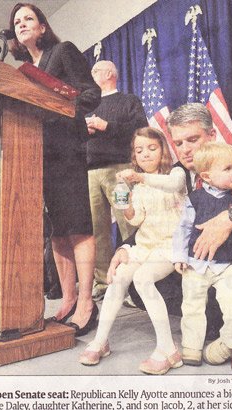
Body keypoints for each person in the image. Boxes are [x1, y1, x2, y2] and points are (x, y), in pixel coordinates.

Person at [110, 103, 232, 373]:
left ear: (212, 135)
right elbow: (159, 220)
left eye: (193, 139)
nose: (185, 149)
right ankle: (214, 320)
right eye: (178, 143)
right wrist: (126, 246)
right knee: (139, 279)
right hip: (205, 264)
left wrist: (231, 217)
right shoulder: (177, 174)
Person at [9, 3, 101, 336]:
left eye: (28, 19)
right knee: (58, 232)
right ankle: (68, 299)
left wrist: (59, 105)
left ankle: (87, 302)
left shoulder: (62, 52)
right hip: (38, 155)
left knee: (77, 227)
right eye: (17, 22)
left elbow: (90, 94)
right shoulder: (21, 70)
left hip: (66, 150)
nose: (22, 24)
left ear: (43, 26)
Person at [79, 127, 187, 375]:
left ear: (163, 150)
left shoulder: (175, 173)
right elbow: (136, 219)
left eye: (152, 148)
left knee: (143, 278)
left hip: (170, 245)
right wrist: (125, 205)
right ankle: (101, 341)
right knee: (119, 276)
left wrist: (139, 177)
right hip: (146, 245)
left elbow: (173, 185)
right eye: (139, 151)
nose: (145, 154)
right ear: (134, 156)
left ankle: (168, 348)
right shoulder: (139, 187)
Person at [173, 142, 232, 366]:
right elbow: (183, 228)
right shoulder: (195, 199)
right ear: (207, 176)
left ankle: (229, 343)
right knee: (192, 307)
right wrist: (179, 255)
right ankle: (192, 347)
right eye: (228, 168)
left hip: (226, 265)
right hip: (195, 264)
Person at [86, 60, 148, 301]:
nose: (91, 75)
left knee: (129, 223)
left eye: (95, 71)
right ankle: (104, 282)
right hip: (91, 173)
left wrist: (106, 126)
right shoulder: (87, 105)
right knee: (96, 230)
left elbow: (141, 129)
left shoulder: (129, 101)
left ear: (109, 74)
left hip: (120, 171)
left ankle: (135, 285)